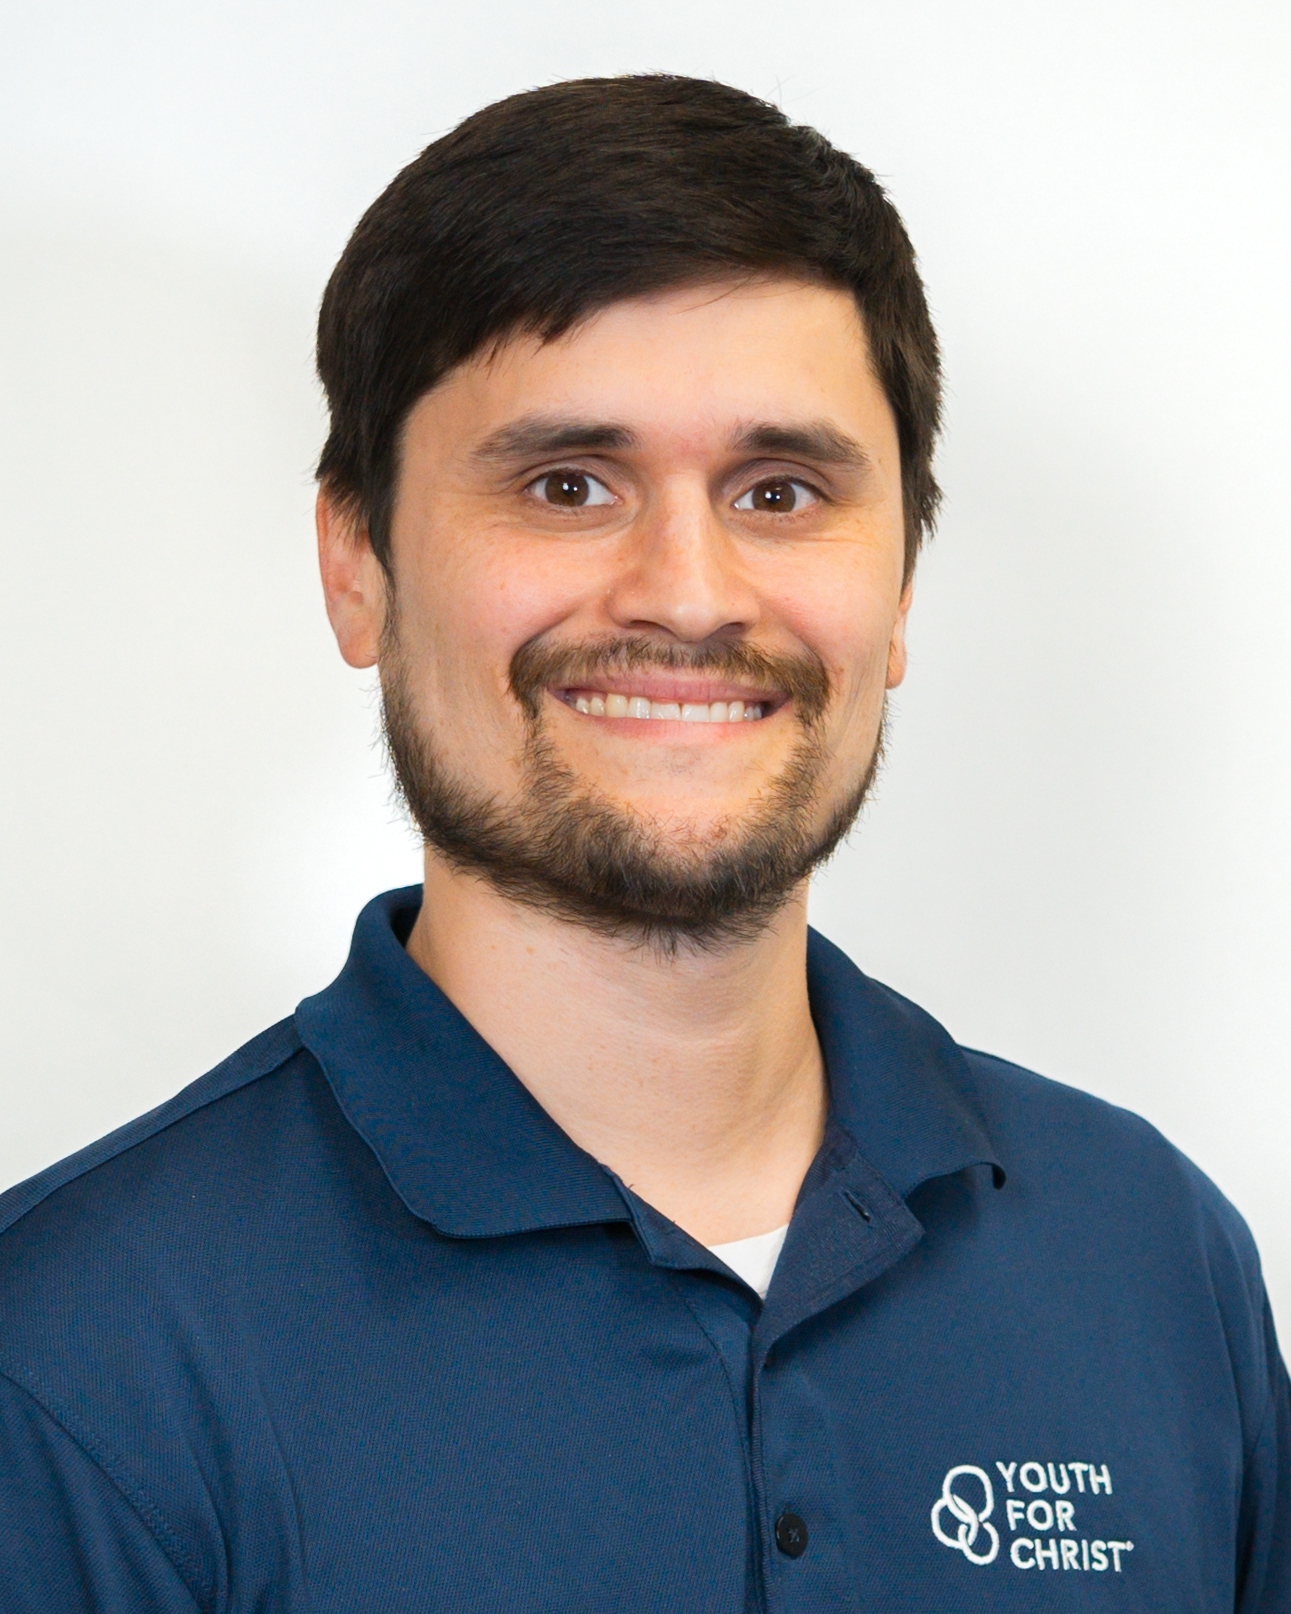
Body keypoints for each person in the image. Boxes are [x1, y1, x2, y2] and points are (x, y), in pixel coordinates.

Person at [0, 74, 1285, 1613]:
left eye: (780, 490)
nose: (687, 591)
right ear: (357, 564)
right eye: (567, 484)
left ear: (900, 586)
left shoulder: (1156, 1261)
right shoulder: (76, 1357)